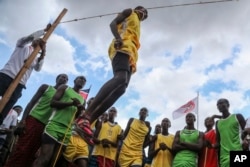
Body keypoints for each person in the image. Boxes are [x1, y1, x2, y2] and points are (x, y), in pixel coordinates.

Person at [84, 6, 148, 127]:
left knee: (122, 88)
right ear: (138, 8)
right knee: (120, 78)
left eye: (146, 14)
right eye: (144, 11)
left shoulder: (138, 25)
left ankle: (89, 120)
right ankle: (87, 113)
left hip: (132, 53)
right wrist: (118, 38)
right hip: (122, 46)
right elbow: (112, 23)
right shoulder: (130, 12)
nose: (145, 14)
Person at [4, 74, 68, 167]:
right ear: (57, 78)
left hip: (47, 126)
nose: (64, 79)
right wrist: (23, 120)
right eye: (62, 77)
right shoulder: (46, 87)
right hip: (33, 120)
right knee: (22, 148)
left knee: (33, 153)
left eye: (66, 78)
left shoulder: (62, 98)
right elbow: (32, 102)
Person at [0, 24, 51, 123]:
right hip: (6, 76)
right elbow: (27, 38)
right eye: (37, 39)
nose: (39, 41)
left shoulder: (36, 59)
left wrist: (43, 52)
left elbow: (38, 68)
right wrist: (44, 31)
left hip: (20, 84)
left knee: (7, 106)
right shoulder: (22, 46)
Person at [32, 76, 86, 167]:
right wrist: (71, 103)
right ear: (75, 80)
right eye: (80, 78)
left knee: (54, 161)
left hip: (67, 131)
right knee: (44, 158)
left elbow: (76, 117)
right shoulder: (65, 88)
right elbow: (53, 103)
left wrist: (80, 110)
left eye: (84, 80)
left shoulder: (83, 100)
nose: (82, 80)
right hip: (54, 125)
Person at [215, 98, 246, 167]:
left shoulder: (238, 117)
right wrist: (211, 145)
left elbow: (247, 132)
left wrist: (246, 140)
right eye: (218, 104)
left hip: (238, 152)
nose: (219, 105)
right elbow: (218, 141)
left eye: (221, 103)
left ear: (228, 105)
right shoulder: (217, 123)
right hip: (224, 157)